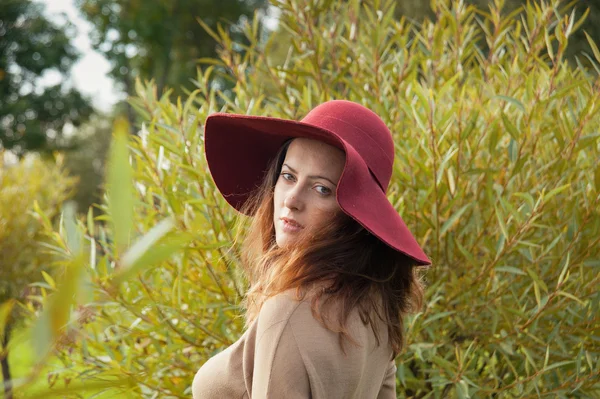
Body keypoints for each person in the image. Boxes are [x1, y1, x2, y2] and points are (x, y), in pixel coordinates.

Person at [192, 100, 432, 398]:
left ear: (355, 214)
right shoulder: (375, 309)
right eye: (288, 176)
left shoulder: (289, 313)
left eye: (321, 189)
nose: (292, 199)